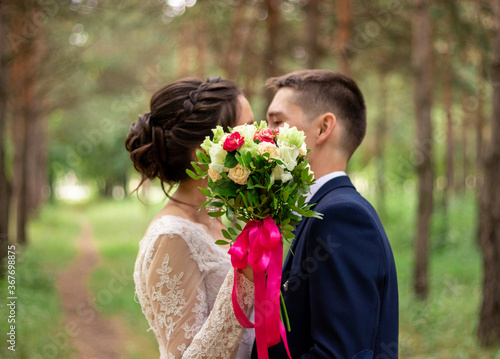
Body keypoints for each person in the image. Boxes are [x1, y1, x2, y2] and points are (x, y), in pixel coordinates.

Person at [255, 70, 399, 359]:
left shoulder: (342, 217)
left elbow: (338, 354)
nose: (263, 135)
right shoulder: (321, 209)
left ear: (323, 128)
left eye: (277, 122)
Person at [126, 77, 256, 359]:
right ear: (204, 153)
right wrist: (244, 281)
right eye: (245, 132)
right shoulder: (172, 236)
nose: (259, 140)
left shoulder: (221, 216)